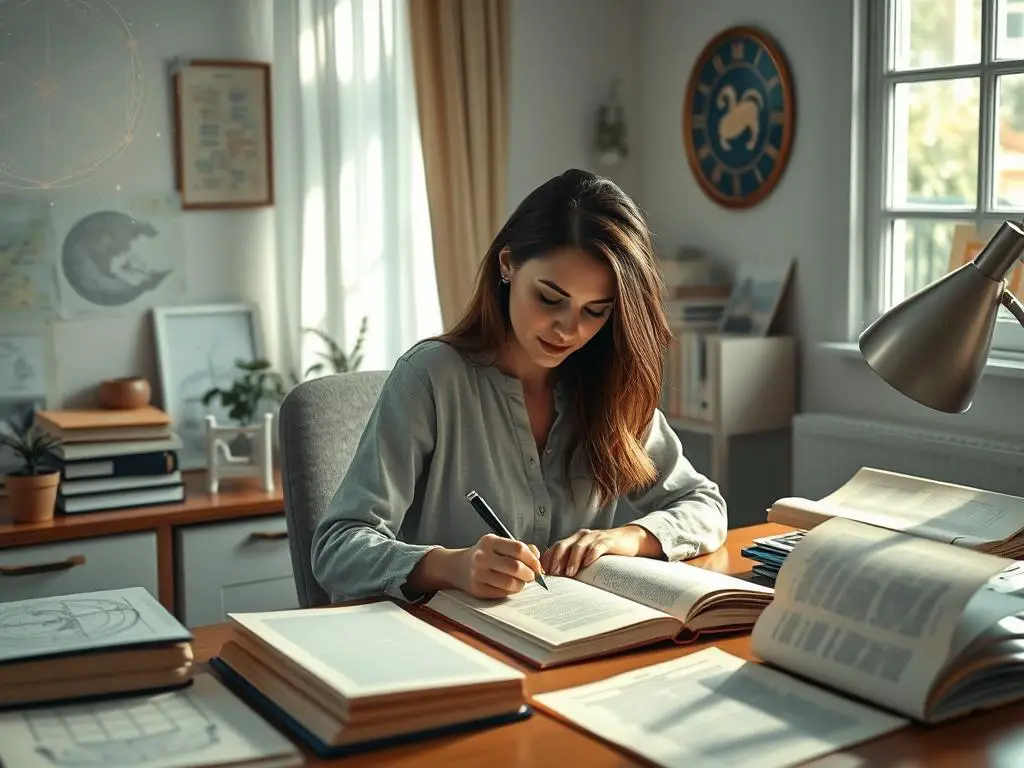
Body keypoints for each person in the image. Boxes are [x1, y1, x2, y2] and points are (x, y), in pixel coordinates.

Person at [311, 169, 727, 603]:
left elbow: (704, 506)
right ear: (507, 264)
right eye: (550, 298)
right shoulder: (430, 378)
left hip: (571, 642)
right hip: (450, 648)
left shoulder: (609, 386)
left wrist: (626, 538)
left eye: (595, 311)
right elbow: (337, 548)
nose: (568, 330)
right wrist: (450, 566)